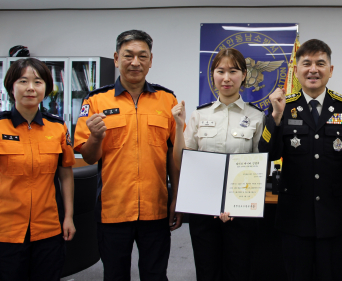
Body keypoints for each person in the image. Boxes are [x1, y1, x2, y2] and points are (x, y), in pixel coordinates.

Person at [74, 30, 182, 280]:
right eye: (128, 55)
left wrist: (177, 198)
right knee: (115, 274)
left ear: (151, 60)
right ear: (116, 58)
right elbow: (88, 157)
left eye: (142, 56)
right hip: (113, 209)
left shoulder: (167, 99)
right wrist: (95, 137)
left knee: (155, 274)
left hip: (155, 208)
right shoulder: (96, 100)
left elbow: (174, 156)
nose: (135, 62)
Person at [258, 39, 342, 281]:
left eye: (320, 63)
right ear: (296, 70)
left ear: (331, 70)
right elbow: (267, 154)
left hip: (334, 217)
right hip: (294, 217)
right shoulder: (282, 106)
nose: (313, 70)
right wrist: (276, 117)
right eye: (306, 64)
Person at [171, 48, 265, 281]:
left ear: (244, 75)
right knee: (207, 270)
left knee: (239, 271)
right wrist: (178, 126)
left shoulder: (256, 117)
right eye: (220, 71)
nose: (226, 78)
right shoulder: (199, 115)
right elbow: (182, 162)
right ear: (212, 74)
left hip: (240, 210)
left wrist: (235, 205)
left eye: (233, 71)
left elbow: (257, 167)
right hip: (203, 210)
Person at [0, 58, 75, 280]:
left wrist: (69, 217)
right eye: (23, 81)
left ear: (46, 89)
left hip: (48, 227)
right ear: (11, 87)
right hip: (6, 229)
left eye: (38, 82)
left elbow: (66, 175)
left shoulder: (58, 127)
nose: (31, 88)